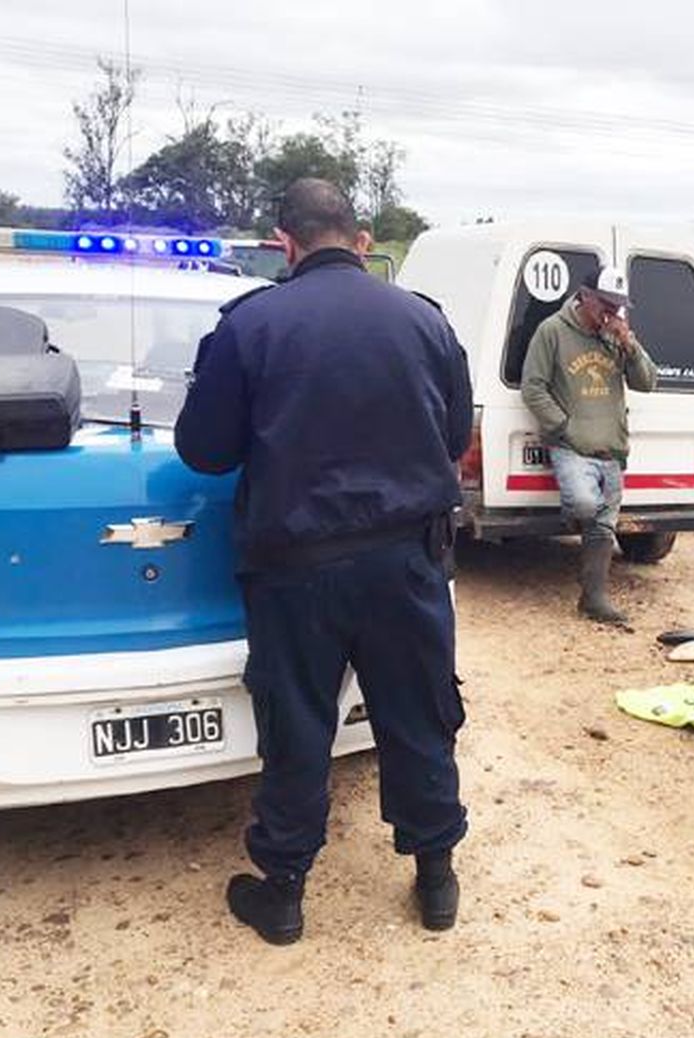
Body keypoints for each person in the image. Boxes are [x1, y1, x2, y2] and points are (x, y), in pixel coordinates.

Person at [175, 178, 472, 944]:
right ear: (362, 238)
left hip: (296, 569)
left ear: (285, 241)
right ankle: (436, 879)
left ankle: (284, 894)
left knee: (299, 724)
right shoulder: (425, 322)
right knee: (418, 715)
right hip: (408, 560)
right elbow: (453, 437)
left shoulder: (250, 324)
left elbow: (203, 452)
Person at [520, 267, 658, 624]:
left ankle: (593, 598)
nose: (611, 312)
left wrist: (630, 344)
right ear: (584, 296)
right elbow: (533, 387)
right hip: (572, 446)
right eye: (605, 304)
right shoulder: (552, 331)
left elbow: (647, 382)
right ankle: (578, 531)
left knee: (603, 527)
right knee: (584, 505)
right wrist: (563, 426)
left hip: (611, 448)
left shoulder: (616, 338)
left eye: (619, 305)